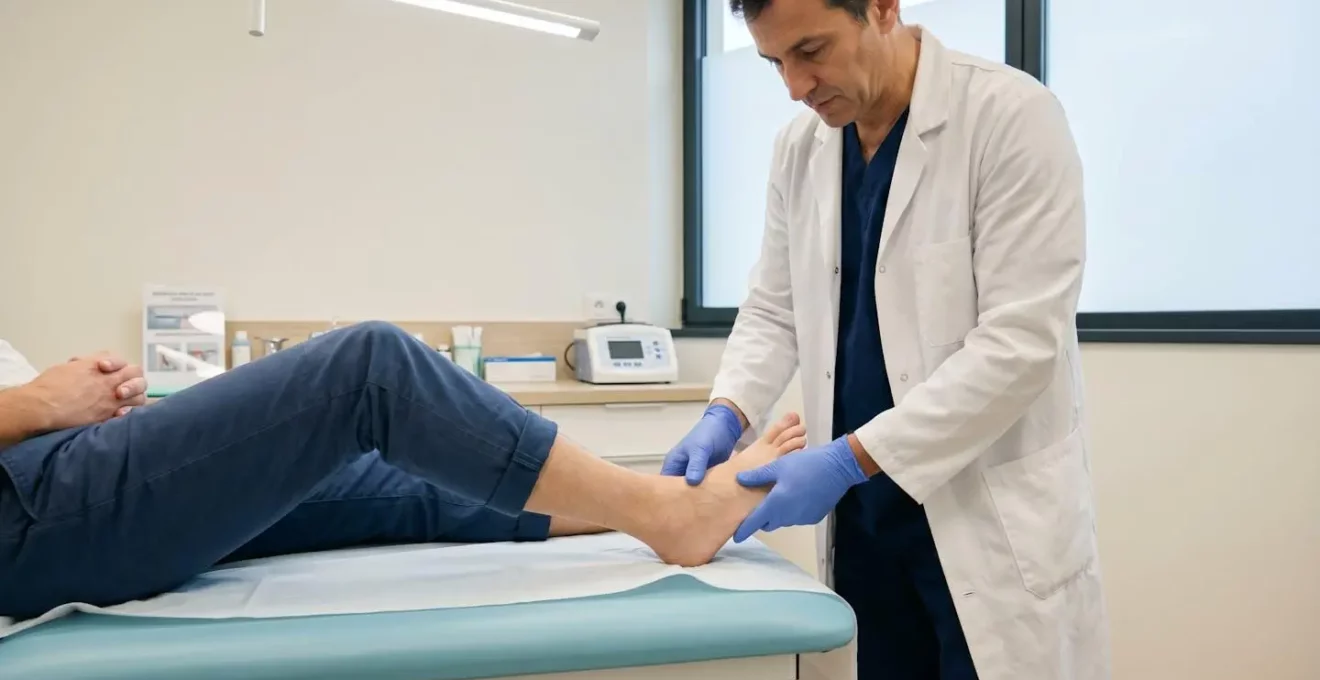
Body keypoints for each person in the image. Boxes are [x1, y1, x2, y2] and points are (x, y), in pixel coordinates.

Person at [660, 1, 1109, 679]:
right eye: (774, 61)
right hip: (869, 525)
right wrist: (728, 411)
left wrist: (847, 459)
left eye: (811, 51)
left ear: (882, 7)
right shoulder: (800, 149)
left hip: (988, 521)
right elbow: (774, 307)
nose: (794, 86)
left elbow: (1020, 345)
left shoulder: (1011, 118)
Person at [0, 322, 807, 621]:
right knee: (369, 368)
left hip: (42, 485)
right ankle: (666, 514)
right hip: (28, 504)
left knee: (400, 475)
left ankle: (672, 503)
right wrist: (33, 403)